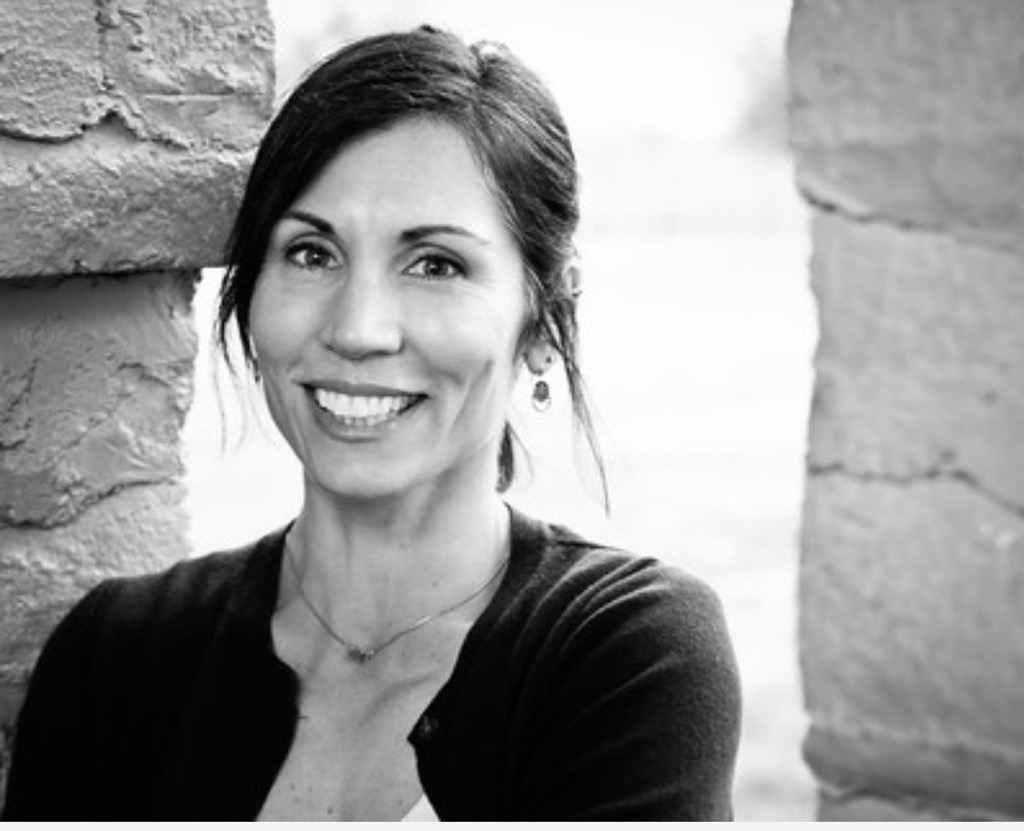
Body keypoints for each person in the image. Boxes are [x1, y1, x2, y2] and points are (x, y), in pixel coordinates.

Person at [1, 25, 741, 821]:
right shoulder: (117, 655)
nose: (358, 328)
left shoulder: (627, 653)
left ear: (540, 320)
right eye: (312, 253)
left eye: (435, 264)